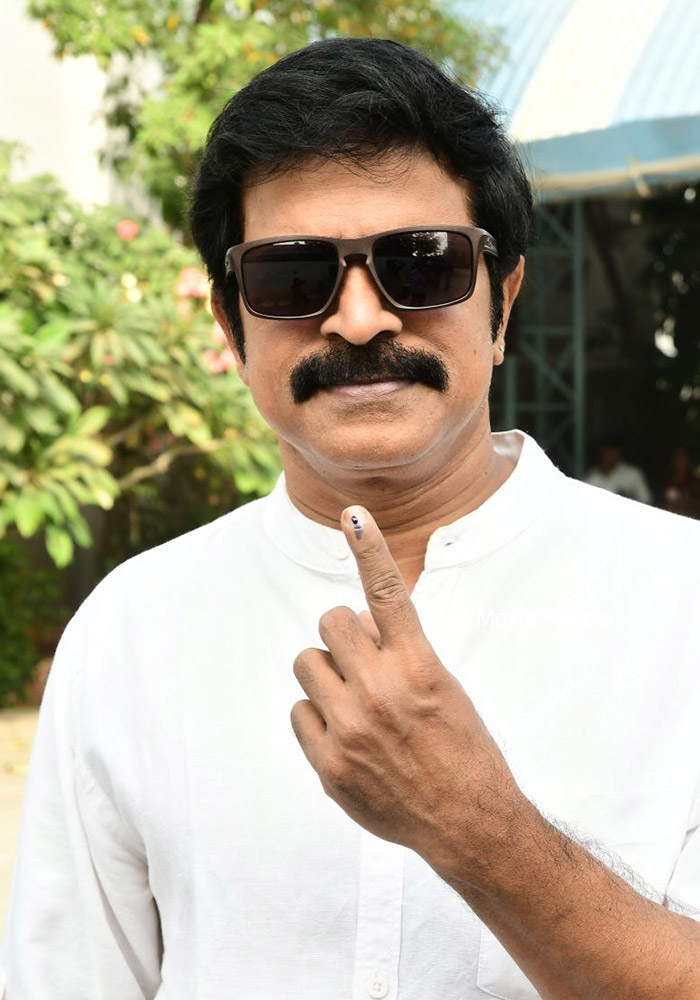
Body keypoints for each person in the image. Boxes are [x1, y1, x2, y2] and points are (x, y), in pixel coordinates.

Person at [2, 37, 700, 1000]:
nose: (362, 320)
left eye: (423, 264)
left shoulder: (681, 602)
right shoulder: (131, 633)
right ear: (232, 325)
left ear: (502, 306)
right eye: (292, 278)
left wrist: (481, 829)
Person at [585, 437, 652, 503]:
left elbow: (647, 500)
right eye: (607, 452)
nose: (610, 456)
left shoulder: (633, 474)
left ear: (619, 453)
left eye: (613, 451)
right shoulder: (591, 477)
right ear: (601, 453)